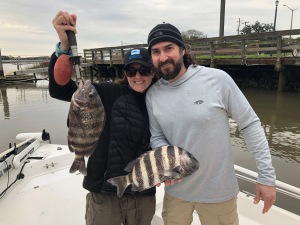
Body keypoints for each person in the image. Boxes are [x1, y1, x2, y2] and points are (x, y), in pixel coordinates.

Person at [145, 23, 277, 225]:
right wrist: (166, 163)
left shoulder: (218, 80)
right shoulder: (153, 94)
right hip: (176, 191)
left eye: (168, 48)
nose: (163, 57)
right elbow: (156, 136)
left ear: (182, 50)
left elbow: (250, 124)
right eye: (156, 51)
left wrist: (266, 177)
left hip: (218, 192)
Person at [49, 11, 157, 225]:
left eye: (143, 70)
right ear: (124, 74)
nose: (138, 76)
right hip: (104, 193)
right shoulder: (108, 93)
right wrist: (63, 48)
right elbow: (59, 90)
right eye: (131, 71)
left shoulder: (162, 101)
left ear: (153, 71)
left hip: (142, 193)